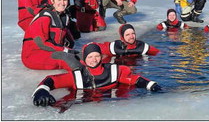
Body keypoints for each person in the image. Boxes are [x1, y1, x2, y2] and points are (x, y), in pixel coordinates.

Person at [31, 43, 161, 107]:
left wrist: (150, 85)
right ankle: (68, 57)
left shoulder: (114, 70)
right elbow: (52, 80)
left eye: (97, 56)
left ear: (101, 57)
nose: (94, 60)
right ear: (84, 59)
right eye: (90, 57)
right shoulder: (77, 76)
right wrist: (41, 91)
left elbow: (134, 79)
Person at [21, 0, 78, 70]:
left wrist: (72, 50)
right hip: (34, 55)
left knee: (84, 56)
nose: (62, 3)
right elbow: (41, 43)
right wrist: (64, 50)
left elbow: (69, 40)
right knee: (69, 59)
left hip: (53, 52)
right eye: (59, 0)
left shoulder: (64, 17)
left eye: (65, 0)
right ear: (52, 1)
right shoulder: (45, 17)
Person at [96, 24, 160, 57]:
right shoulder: (115, 47)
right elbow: (93, 47)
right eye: (127, 35)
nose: (131, 37)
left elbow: (158, 53)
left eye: (133, 33)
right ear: (122, 37)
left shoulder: (141, 46)